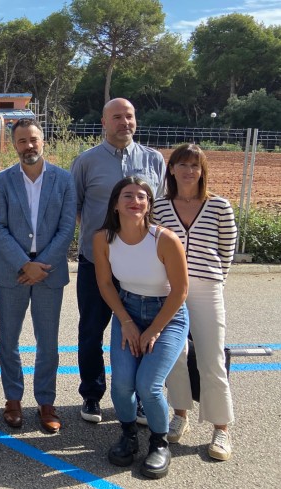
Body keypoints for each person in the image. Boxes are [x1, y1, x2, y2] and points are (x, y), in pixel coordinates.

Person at [70, 98, 166, 423]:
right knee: (91, 331)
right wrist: (100, 242)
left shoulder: (154, 160)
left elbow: (161, 210)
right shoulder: (86, 162)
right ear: (103, 122)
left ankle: (140, 397)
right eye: (117, 117)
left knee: (139, 330)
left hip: (142, 267)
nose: (124, 122)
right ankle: (92, 395)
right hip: (96, 263)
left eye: (129, 116)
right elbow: (75, 206)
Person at [95, 177, 188, 479]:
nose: (135, 201)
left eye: (142, 196)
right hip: (128, 310)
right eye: (127, 195)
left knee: (148, 386)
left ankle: (159, 443)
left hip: (168, 315)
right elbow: (106, 284)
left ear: (149, 204)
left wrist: (154, 330)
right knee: (122, 384)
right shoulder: (103, 239)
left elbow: (180, 291)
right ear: (115, 203)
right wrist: (126, 322)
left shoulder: (165, 239)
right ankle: (128, 435)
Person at [0, 119, 76, 433]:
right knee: (8, 340)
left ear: (43, 141)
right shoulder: (1, 181)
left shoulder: (64, 179)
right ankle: (13, 398)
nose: (29, 146)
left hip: (49, 273)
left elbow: (67, 228)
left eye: (34, 139)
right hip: (13, 272)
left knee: (47, 342)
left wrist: (41, 265)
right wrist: (25, 264)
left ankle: (46, 402)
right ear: (14, 144)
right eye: (22, 140)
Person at [153, 144, 237, 461]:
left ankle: (221, 429)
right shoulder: (160, 207)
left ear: (203, 171)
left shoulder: (219, 207)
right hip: (168, 289)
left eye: (195, 165)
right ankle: (180, 415)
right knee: (175, 354)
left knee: (211, 357)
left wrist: (213, 279)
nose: (189, 171)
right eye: (183, 165)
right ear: (171, 169)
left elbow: (226, 251)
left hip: (206, 288)